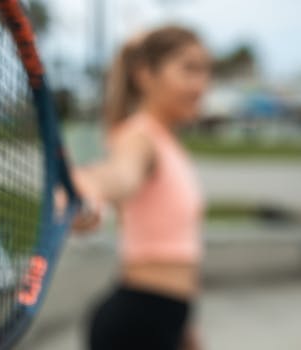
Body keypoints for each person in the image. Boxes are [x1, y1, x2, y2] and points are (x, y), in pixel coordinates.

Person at [68, 25, 211, 350]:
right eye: (189, 69)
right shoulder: (139, 137)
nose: (201, 84)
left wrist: (186, 330)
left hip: (167, 317)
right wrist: (89, 186)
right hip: (136, 325)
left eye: (205, 71)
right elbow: (120, 175)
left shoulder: (166, 141)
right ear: (145, 74)